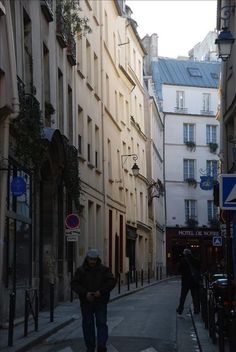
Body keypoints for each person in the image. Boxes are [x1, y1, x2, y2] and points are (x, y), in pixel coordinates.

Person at [71, 249, 116, 352]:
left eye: (94, 259)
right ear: (87, 259)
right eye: (91, 259)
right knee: (88, 325)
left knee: (101, 323)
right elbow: (74, 284)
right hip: (86, 302)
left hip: (100, 301)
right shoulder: (81, 271)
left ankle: (101, 346)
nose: (92, 262)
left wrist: (100, 292)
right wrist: (85, 293)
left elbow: (111, 281)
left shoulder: (104, 270)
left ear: (97, 259)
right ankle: (90, 347)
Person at [176, 248, 201, 315]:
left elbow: (179, 270)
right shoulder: (195, 260)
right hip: (194, 281)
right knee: (195, 296)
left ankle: (180, 309)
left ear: (185, 253)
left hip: (185, 281)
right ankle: (197, 310)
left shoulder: (182, 260)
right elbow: (199, 268)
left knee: (183, 296)